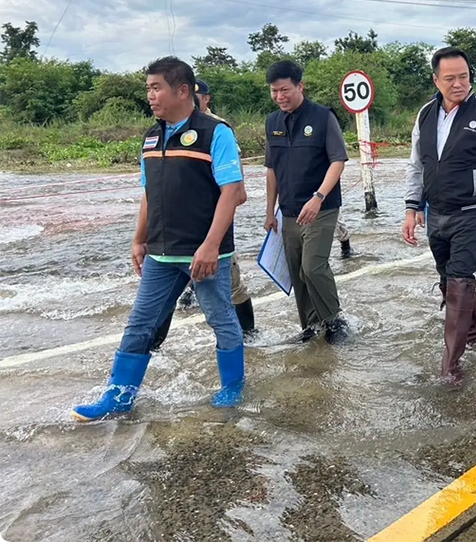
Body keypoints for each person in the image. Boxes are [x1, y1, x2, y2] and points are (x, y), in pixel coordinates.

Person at [73, 57, 246, 421]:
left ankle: (233, 386)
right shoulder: (152, 136)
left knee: (220, 318)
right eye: (148, 88)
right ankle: (118, 397)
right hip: (161, 254)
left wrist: (211, 246)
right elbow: (149, 193)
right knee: (141, 323)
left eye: (156, 88)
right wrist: (139, 239)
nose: (150, 96)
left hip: (204, 252)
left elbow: (231, 192)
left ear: (182, 91)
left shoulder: (216, 133)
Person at [402, 47, 476, 378]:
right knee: (448, 280)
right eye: (450, 78)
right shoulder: (425, 115)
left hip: (471, 212)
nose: (458, 84)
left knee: (460, 281)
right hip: (436, 213)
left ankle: (450, 365)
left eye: (463, 77)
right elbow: (416, 165)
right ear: (436, 80)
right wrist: (411, 207)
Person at [156, 78, 257, 341]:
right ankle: (153, 347)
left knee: (231, 286)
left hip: (212, 225)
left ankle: (249, 337)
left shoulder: (218, 129)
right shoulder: (169, 127)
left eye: (197, 98)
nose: (192, 101)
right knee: (161, 293)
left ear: (206, 99)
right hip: (177, 228)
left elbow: (237, 190)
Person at [265, 60, 350, 345]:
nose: (280, 96)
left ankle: (335, 320)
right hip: (288, 210)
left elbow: (338, 161)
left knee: (313, 266)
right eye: (274, 91)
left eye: (285, 90)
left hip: (321, 207)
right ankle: (312, 325)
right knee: (297, 271)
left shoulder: (323, 117)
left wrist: (318, 197)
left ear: (300, 86)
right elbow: (271, 169)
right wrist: (270, 212)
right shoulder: (272, 122)